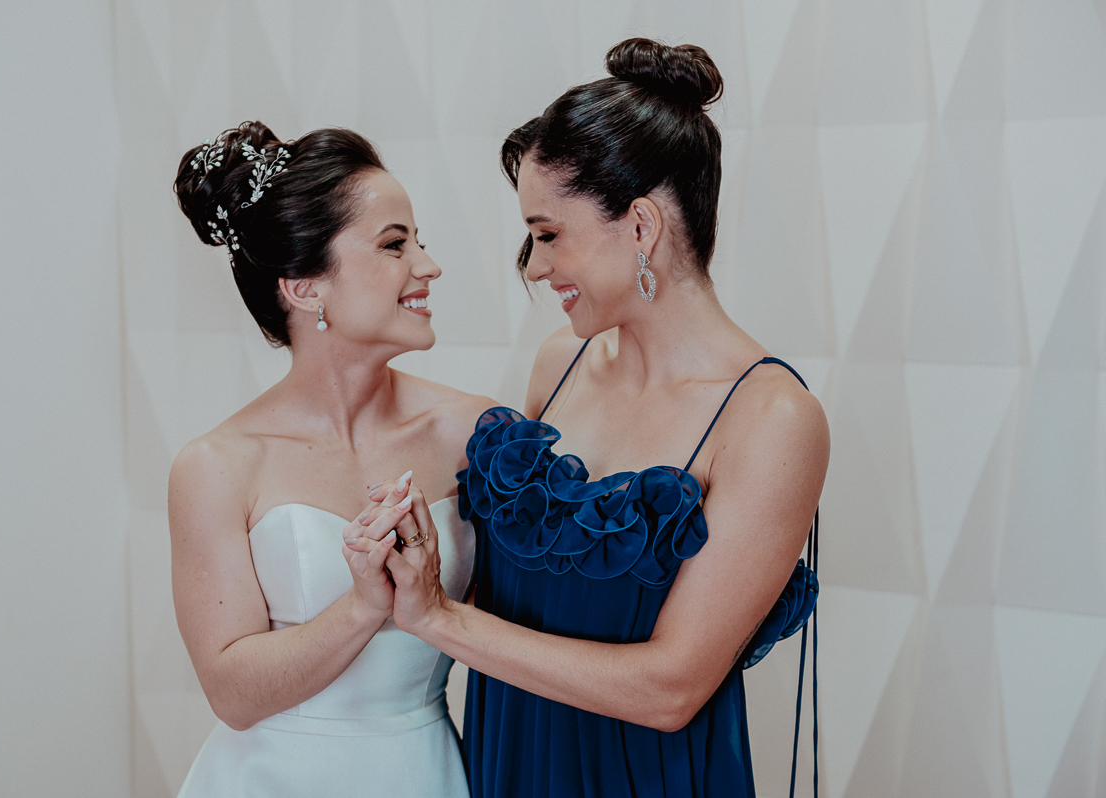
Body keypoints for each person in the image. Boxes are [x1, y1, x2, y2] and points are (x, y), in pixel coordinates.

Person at [350, 38, 829, 797]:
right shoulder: (558, 366)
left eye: (548, 235)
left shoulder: (772, 418)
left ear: (640, 226)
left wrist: (439, 619)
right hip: (510, 764)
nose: (536, 268)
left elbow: (669, 690)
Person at [168, 121, 492, 797]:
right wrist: (363, 606)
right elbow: (232, 693)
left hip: (424, 771)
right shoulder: (217, 467)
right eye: (394, 246)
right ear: (305, 287)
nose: (427, 267)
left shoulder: (476, 435)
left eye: (419, 243)